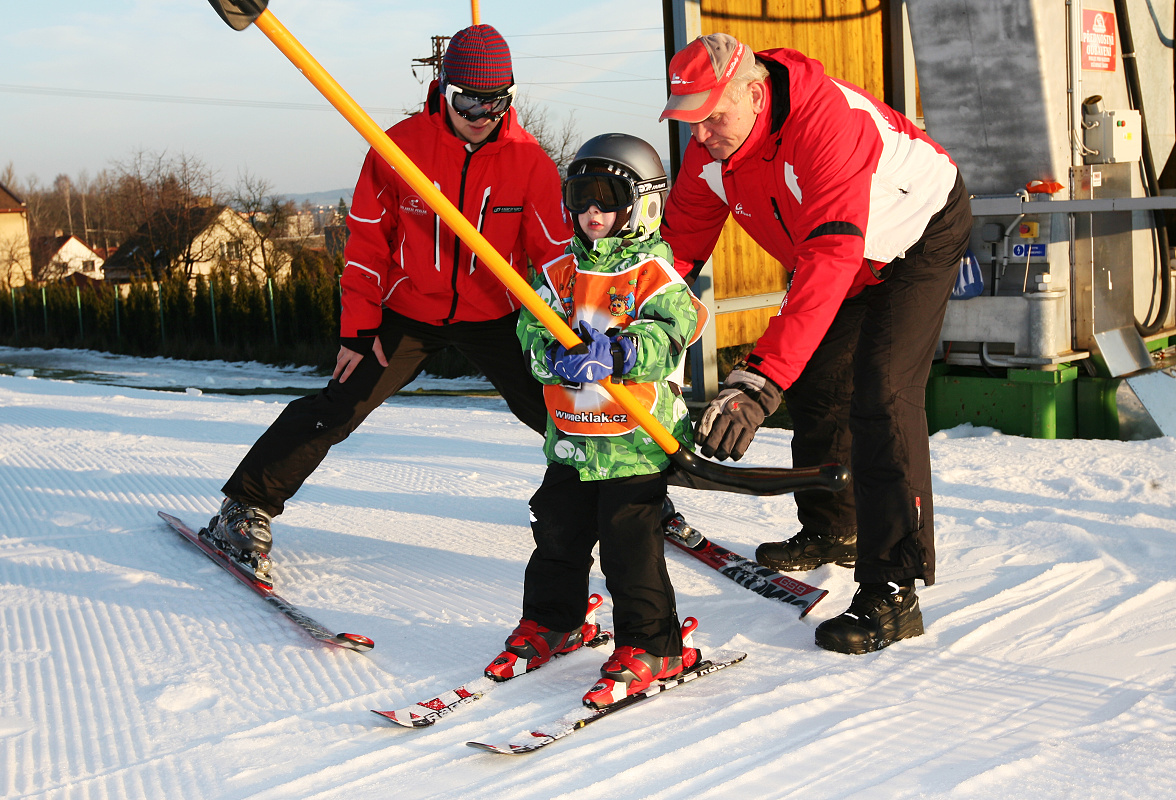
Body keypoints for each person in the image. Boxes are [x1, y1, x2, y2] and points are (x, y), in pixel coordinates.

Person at [205, 24, 570, 572]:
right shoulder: (399, 149)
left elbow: (557, 256)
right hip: (409, 309)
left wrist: (578, 327)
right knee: (340, 404)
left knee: (564, 411)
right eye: (465, 101)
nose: (478, 117)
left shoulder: (530, 163)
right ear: (442, 89)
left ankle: (631, 497)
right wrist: (358, 328)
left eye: (493, 103)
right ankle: (247, 504)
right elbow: (366, 245)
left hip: (494, 311)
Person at [658, 34, 973, 654]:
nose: (700, 137)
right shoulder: (710, 153)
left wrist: (758, 378)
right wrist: (625, 310)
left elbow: (830, 256)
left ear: (753, 93)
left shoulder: (826, 125)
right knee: (821, 385)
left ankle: (894, 589)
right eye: (689, 122)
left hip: (916, 239)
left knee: (883, 396)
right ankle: (835, 530)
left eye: (711, 118)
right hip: (837, 258)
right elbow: (677, 251)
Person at [484, 134, 707, 708]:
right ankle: (553, 621)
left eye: (606, 197)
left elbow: (672, 330)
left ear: (644, 203)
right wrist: (551, 355)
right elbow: (530, 330)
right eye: (580, 198)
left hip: (635, 445)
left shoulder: (654, 274)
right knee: (556, 535)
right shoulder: (559, 273)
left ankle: (651, 642)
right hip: (574, 444)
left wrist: (624, 352)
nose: (591, 212)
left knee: (630, 546)